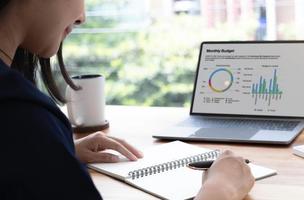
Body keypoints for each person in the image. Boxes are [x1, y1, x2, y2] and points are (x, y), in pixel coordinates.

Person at [0, 0, 254, 199]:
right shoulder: (19, 114)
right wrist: (220, 190)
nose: (82, 16)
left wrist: (51, 156)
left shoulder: (22, 129)